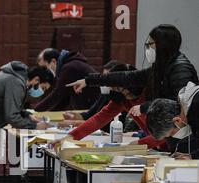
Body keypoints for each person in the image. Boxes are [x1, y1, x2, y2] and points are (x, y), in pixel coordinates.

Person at [67, 24, 198, 118]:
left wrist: (144, 107)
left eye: (151, 44)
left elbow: (178, 103)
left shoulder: (181, 69)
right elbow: (126, 77)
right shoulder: (160, 68)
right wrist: (88, 80)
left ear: (163, 45)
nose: (148, 48)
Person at [61, 63, 164, 148]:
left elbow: (165, 133)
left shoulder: (151, 96)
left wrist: (136, 144)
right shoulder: (121, 99)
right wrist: (70, 137)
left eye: (116, 87)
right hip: (156, 146)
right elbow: (98, 119)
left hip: (170, 146)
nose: (112, 89)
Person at [0, 61, 54, 130]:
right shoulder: (16, 82)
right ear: (36, 80)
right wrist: (35, 126)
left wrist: (27, 115)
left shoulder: (19, 78)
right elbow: (12, 117)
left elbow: (12, 106)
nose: (42, 92)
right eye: (43, 88)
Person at [61, 60, 123, 130]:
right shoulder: (105, 94)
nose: (104, 82)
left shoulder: (121, 98)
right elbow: (90, 114)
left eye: (107, 78)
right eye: (103, 77)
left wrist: (74, 123)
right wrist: (74, 115)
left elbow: (105, 125)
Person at [33, 48, 100, 111]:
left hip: (94, 106)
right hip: (92, 106)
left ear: (53, 61)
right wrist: (49, 112)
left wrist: (36, 110)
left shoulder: (69, 68)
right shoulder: (70, 65)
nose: (47, 71)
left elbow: (57, 94)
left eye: (45, 67)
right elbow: (65, 97)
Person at [145, 82, 199, 159]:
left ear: (177, 121)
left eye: (172, 134)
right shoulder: (188, 108)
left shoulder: (196, 106)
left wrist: (193, 156)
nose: (174, 137)